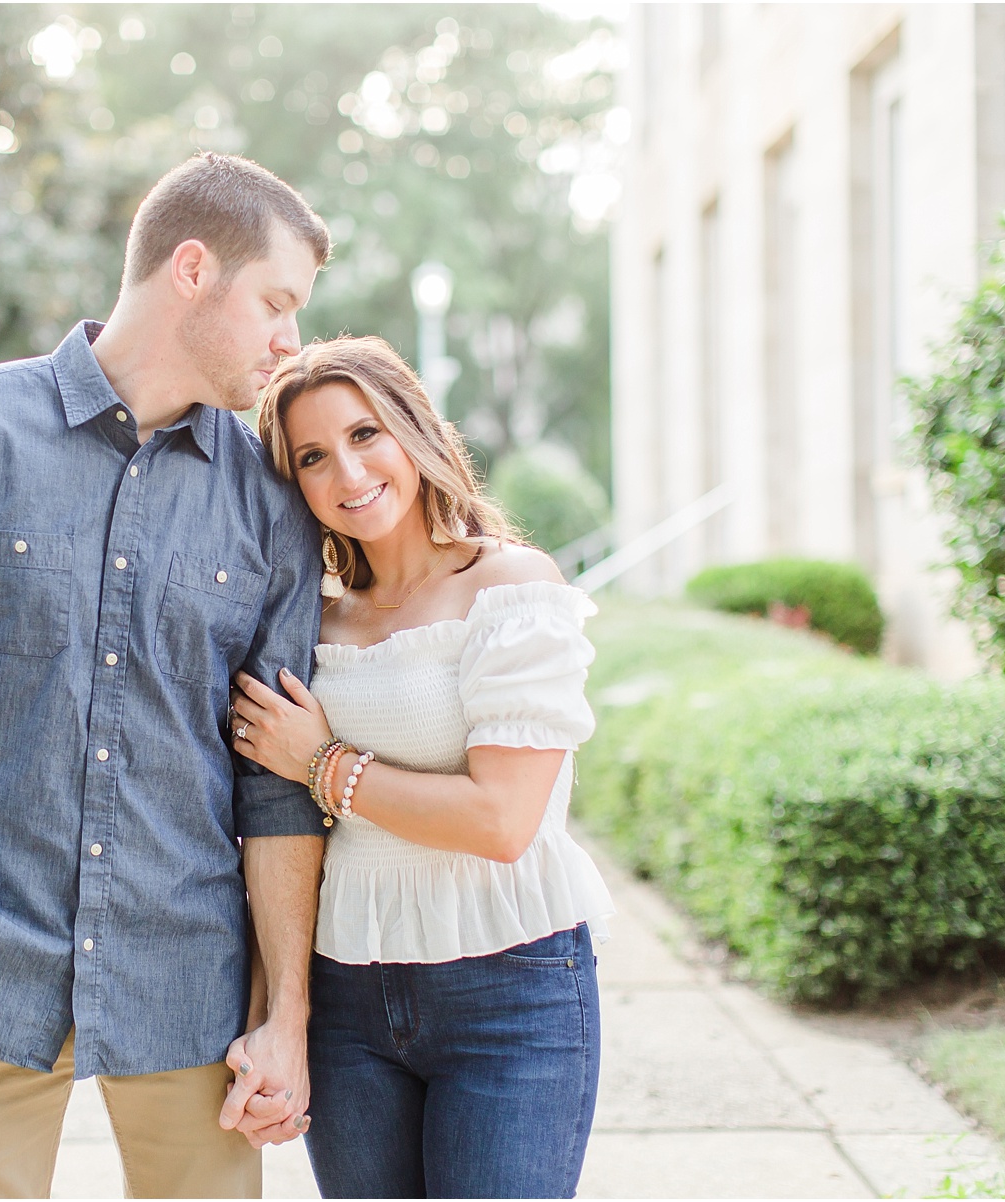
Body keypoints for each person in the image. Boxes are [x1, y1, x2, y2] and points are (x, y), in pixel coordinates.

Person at [0, 152, 332, 1199]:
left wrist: (286, 1013)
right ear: (189, 269)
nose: (289, 339)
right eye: (275, 301)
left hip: (191, 973)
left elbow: (275, 786)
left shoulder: (266, 503)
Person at [228, 336, 616, 1199]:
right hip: (348, 1005)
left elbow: (502, 821)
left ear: (414, 431)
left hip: (509, 995)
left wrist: (323, 763)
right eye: (313, 457)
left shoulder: (509, 587)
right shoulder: (308, 625)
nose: (348, 472)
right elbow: (275, 826)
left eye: (366, 434)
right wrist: (278, 1017)